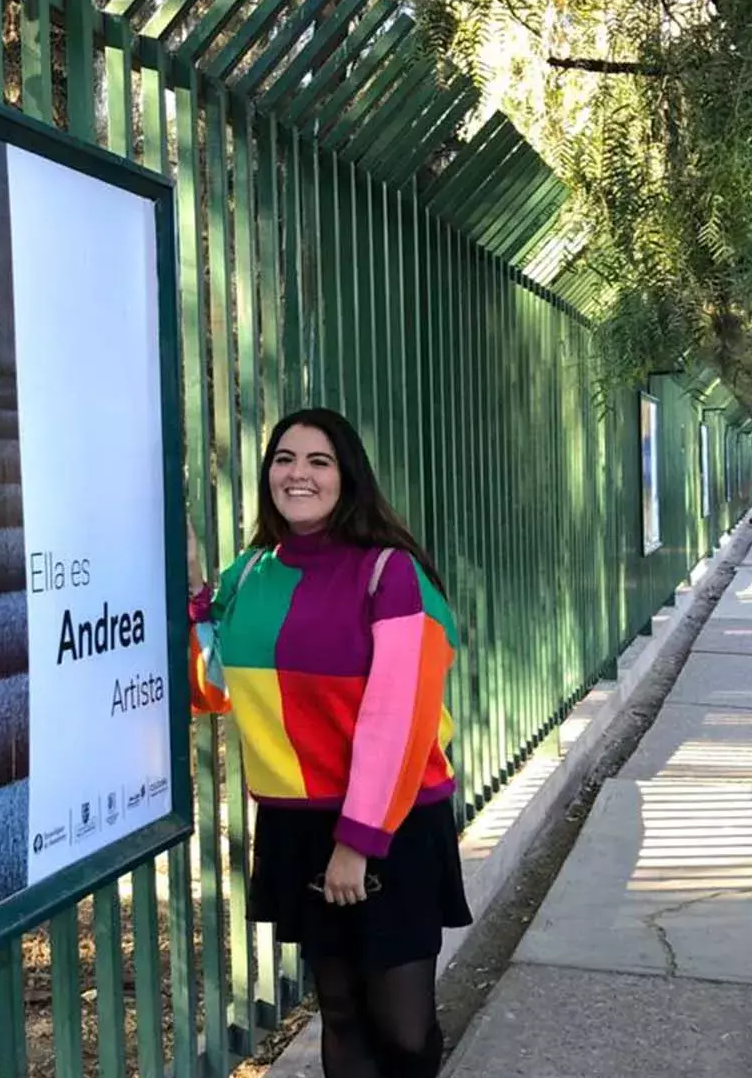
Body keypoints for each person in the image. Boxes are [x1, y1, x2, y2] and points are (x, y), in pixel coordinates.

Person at [187, 408, 470, 1078]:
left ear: (348, 477)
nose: (298, 474)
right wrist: (198, 596)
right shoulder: (251, 573)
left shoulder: (390, 574)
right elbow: (212, 689)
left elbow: (398, 716)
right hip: (296, 824)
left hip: (389, 824)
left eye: (319, 461)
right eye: (285, 458)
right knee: (339, 1013)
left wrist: (358, 839)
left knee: (402, 1030)